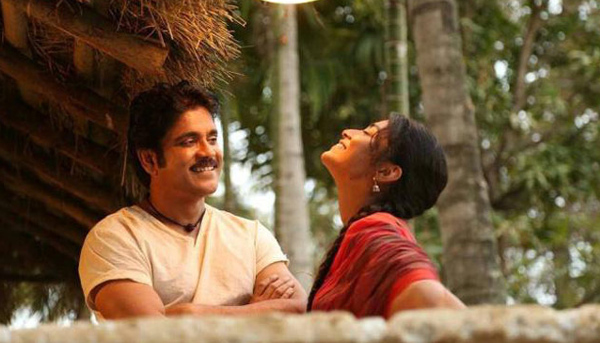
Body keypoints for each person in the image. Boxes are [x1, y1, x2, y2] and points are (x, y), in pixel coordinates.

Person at [79, 82, 306, 319]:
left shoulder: (252, 236)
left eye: (212, 138)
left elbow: (297, 307)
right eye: (189, 141)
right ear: (149, 160)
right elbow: (152, 331)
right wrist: (255, 313)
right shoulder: (115, 237)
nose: (208, 152)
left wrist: (189, 312)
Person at [307, 113, 465, 318]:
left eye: (368, 133)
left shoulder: (373, 229)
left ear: (386, 172)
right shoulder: (371, 231)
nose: (347, 132)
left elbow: (430, 297)